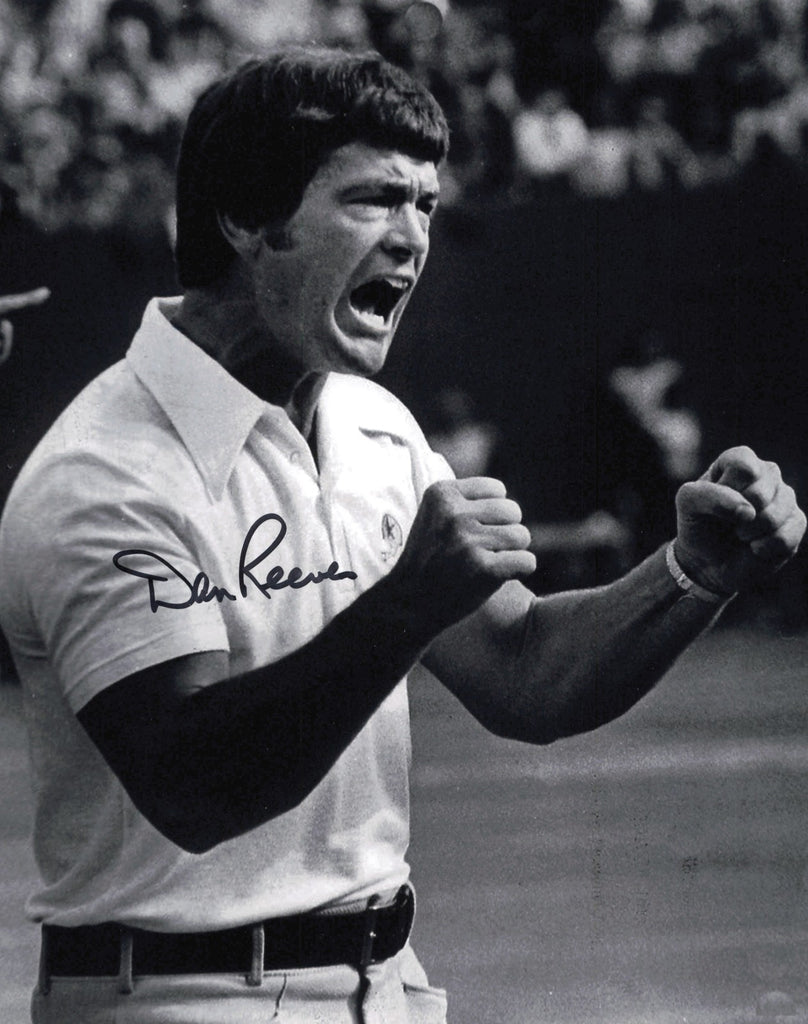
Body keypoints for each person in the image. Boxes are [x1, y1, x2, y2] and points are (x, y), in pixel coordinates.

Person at [0, 48, 803, 1024]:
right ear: (247, 218)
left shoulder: (374, 426)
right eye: (375, 198)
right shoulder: (104, 473)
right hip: (174, 996)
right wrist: (404, 606)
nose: (413, 237)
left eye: (425, 204)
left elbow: (526, 672)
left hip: (386, 986)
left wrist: (687, 576)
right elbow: (193, 786)